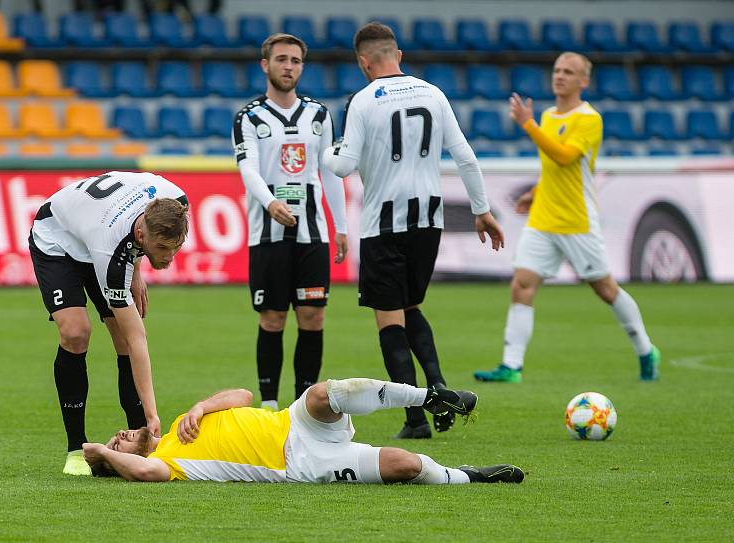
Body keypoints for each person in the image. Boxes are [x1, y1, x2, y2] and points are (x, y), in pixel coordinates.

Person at [321, 22, 504, 439]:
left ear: (363, 63)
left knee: (389, 320)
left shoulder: (364, 101)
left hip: (384, 223)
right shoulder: (433, 92)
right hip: (429, 220)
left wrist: (325, 151)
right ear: (398, 55)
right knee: (410, 306)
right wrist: (482, 210)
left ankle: (417, 417)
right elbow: (465, 156)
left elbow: (344, 165)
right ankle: (439, 386)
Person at [473, 52, 660, 384]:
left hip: (577, 220)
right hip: (544, 219)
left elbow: (564, 157)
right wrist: (536, 191)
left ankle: (646, 350)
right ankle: (511, 366)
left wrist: (527, 124)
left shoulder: (589, 119)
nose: (559, 76)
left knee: (605, 289)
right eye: (557, 70)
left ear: (583, 81)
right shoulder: (547, 115)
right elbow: (553, 168)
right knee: (522, 284)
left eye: (569, 72)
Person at [29, 171, 189, 475]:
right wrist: (154, 412)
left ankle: (139, 437)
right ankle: (76, 449)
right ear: (142, 236)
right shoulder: (110, 250)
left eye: (176, 248)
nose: (169, 259)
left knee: (119, 333)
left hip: (101, 228)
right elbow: (137, 337)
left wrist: (137, 268)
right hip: (59, 239)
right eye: (163, 250)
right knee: (77, 333)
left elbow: (142, 234)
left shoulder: (177, 202)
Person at [82, 378, 524, 485]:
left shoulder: (183, 422)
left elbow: (242, 393)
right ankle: (466, 476)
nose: (121, 433)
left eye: (117, 434)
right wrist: (102, 452)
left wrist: (201, 404)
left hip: (291, 422)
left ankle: (427, 397)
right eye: (118, 441)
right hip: (301, 463)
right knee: (404, 465)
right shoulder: (164, 462)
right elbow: (145, 475)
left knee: (320, 393)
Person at [232, 33, 348, 411]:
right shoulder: (249, 117)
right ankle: (268, 403)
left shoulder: (319, 115)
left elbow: (330, 173)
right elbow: (247, 169)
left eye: (295, 60)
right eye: (281, 59)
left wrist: (341, 225)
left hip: (312, 233)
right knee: (273, 316)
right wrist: (268, 203)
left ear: (302, 66)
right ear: (265, 65)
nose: (288, 66)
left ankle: (304, 404)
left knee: (313, 316)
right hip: (267, 233)